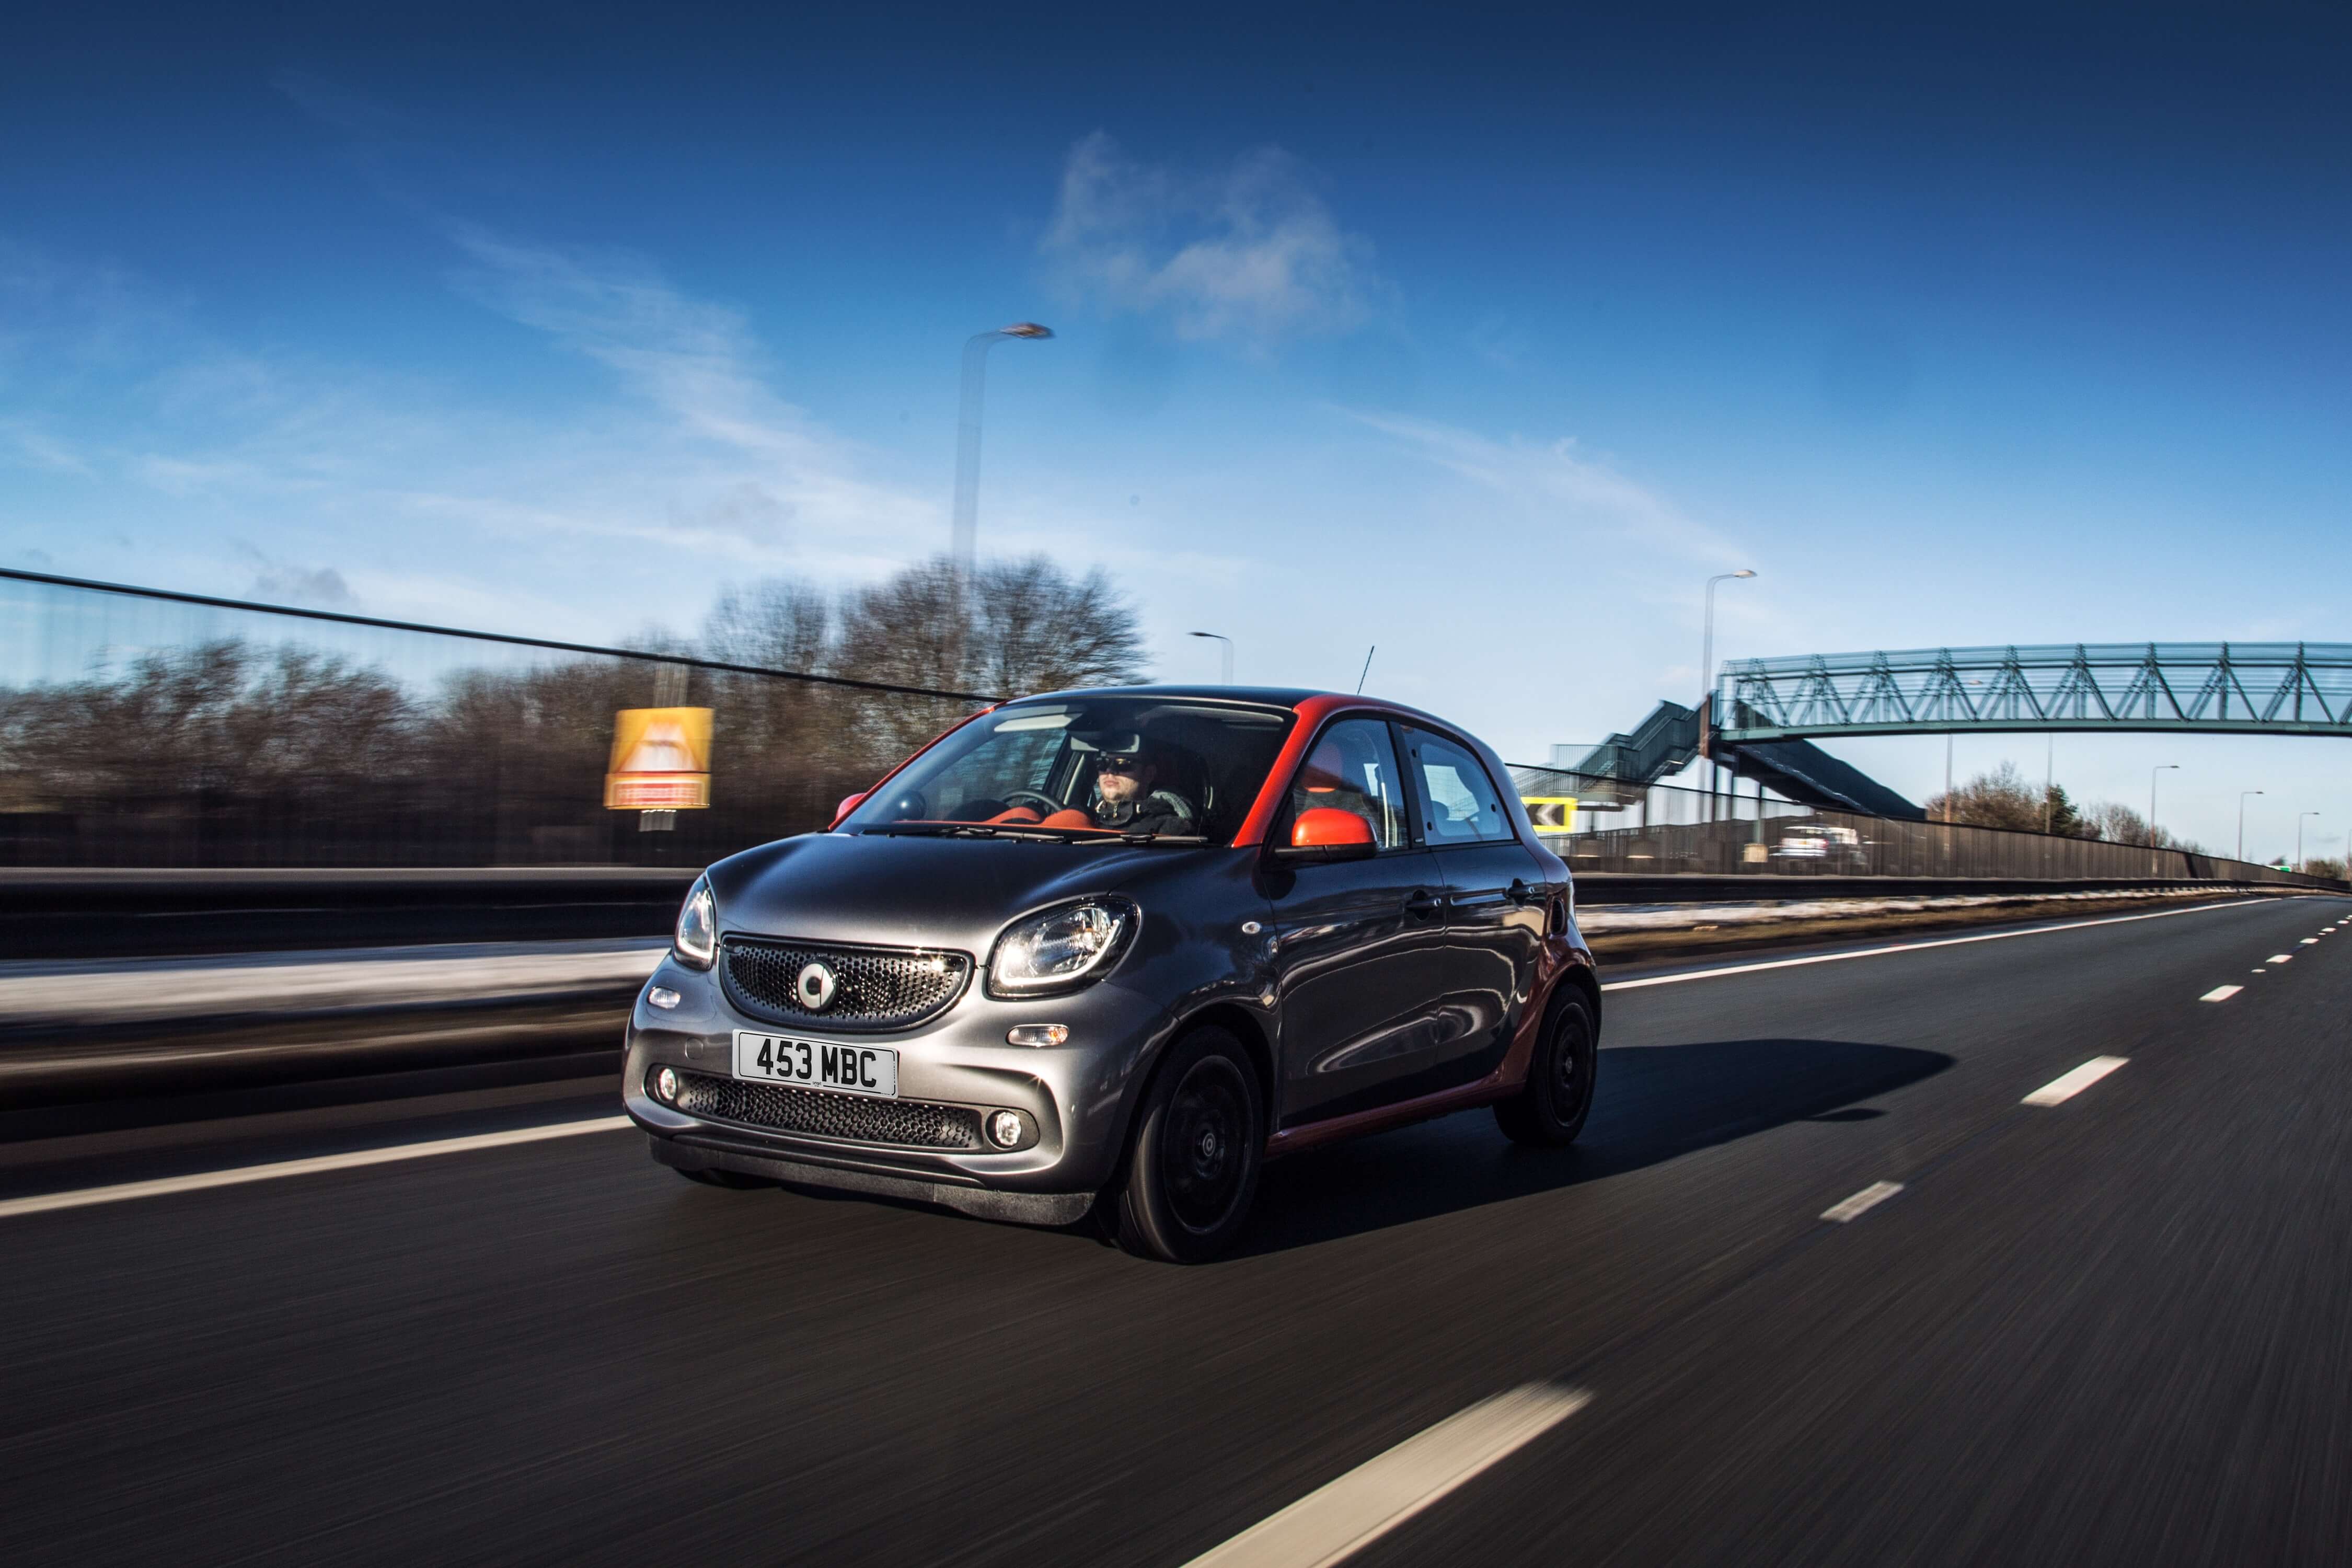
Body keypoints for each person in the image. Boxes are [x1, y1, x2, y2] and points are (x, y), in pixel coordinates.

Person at [1087, 734, 1197, 835]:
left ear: (1149, 773)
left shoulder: (1170, 830)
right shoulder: (1081, 820)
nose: (1110, 770)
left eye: (1123, 763)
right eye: (1102, 763)